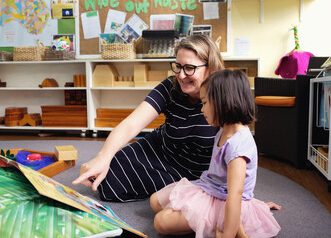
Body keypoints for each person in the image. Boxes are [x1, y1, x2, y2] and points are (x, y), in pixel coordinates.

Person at [72, 34, 225, 202]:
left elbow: (237, 146)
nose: (181, 75)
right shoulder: (171, 86)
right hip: (161, 150)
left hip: (196, 172)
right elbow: (131, 124)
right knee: (109, 173)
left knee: (180, 202)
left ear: (211, 68)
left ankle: (174, 187)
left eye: (189, 68)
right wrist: (103, 157)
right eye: (178, 66)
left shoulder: (223, 98)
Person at [149, 69, 281, 238]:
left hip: (224, 200)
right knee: (155, 202)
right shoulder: (224, 129)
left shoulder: (237, 147)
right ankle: (210, 222)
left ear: (223, 103)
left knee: (161, 222)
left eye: (204, 103)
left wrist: (227, 235)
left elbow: (235, 196)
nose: (201, 109)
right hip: (210, 188)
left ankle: (231, 226)